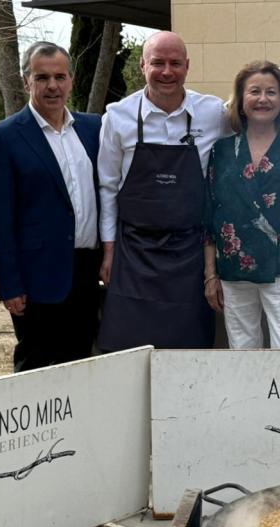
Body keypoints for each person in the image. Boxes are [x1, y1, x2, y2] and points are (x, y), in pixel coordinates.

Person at [96, 31, 231, 351]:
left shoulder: (214, 113)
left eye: (175, 63)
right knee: (128, 347)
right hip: (133, 253)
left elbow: (253, 138)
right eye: (158, 63)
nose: (167, 71)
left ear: (187, 66)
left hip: (190, 252)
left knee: (188, 348)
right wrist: (109, 248)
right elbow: (108, 186)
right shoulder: (117, 116)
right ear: (143, 65)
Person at [0, 42, 102, 372]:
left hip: (85, 271)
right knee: (35, 366)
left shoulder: (94, 128)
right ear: (26, 82)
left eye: (59, 77)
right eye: (42, 77)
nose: (52, 86)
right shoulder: (4, 137)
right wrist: (10, 282)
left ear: (71, 81)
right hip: (36, 275)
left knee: (81, 361)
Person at [202, 61, 280, 349]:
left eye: (271, 92)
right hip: (234, 271)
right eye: (254, 91)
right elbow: (209, 215)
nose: (263, 99)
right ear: (241, 101)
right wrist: (211, 275)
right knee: (242, 353)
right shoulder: (221, 151)